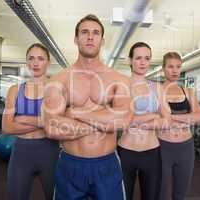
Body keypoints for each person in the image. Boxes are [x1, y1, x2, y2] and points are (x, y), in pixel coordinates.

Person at [42, 14, 132, 200]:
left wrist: (75, 112)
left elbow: (122, 120)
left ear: (102, 40)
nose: (90, 37)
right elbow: (51, 127)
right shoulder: (60, 79)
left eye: (95, 33)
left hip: (107, 164)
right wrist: (104, 120)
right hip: (70, 164)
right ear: (76, 39)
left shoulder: (119, 79)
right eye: (84, 32)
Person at [2, 43, 60, 200]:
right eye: (31, 58)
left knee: (55, 196)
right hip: (21, 152)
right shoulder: (15, 90)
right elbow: (7, 127)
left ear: (48, 62)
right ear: (27, 62)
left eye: (40, 58)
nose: (35, 63)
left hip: (49, 151)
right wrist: (43, 122)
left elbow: (58, 125)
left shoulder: (57, 89)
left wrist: (24, 119)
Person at [117, 42, 161, 200]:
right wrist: (153, 116)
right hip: (126, 151)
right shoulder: (121, 86)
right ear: (130, 60)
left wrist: (135, 120)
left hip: (152, 152)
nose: (143, 62)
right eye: (138, 58)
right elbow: (120, 120)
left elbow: (168, 120)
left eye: (147, 58)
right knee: (123, 196)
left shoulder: (157, 87)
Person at [159, 52, 200, 200]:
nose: (174, 70)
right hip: (163, 147)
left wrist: (170, 117)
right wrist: (187, 118)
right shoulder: (156, 92)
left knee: (181, 193)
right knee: (161, 192)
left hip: (186, 148)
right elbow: (155, 120)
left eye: (178, 67)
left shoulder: (188, 91)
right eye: (170, 66)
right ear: (163, 69)